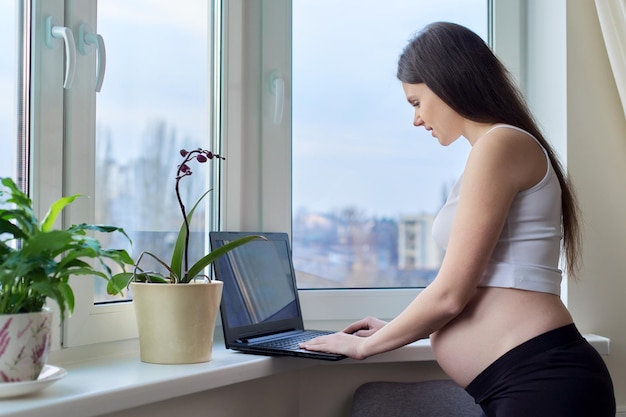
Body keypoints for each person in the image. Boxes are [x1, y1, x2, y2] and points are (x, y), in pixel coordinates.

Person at [300, 22, 615, 416]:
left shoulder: (501, 144)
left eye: (416, 102)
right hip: (525, 380)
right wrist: (398, 327)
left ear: (447, 82)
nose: (416, 119)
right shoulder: (493, 150)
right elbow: (478, 285)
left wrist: (365, 346)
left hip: (542, 380)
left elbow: (451, 295)